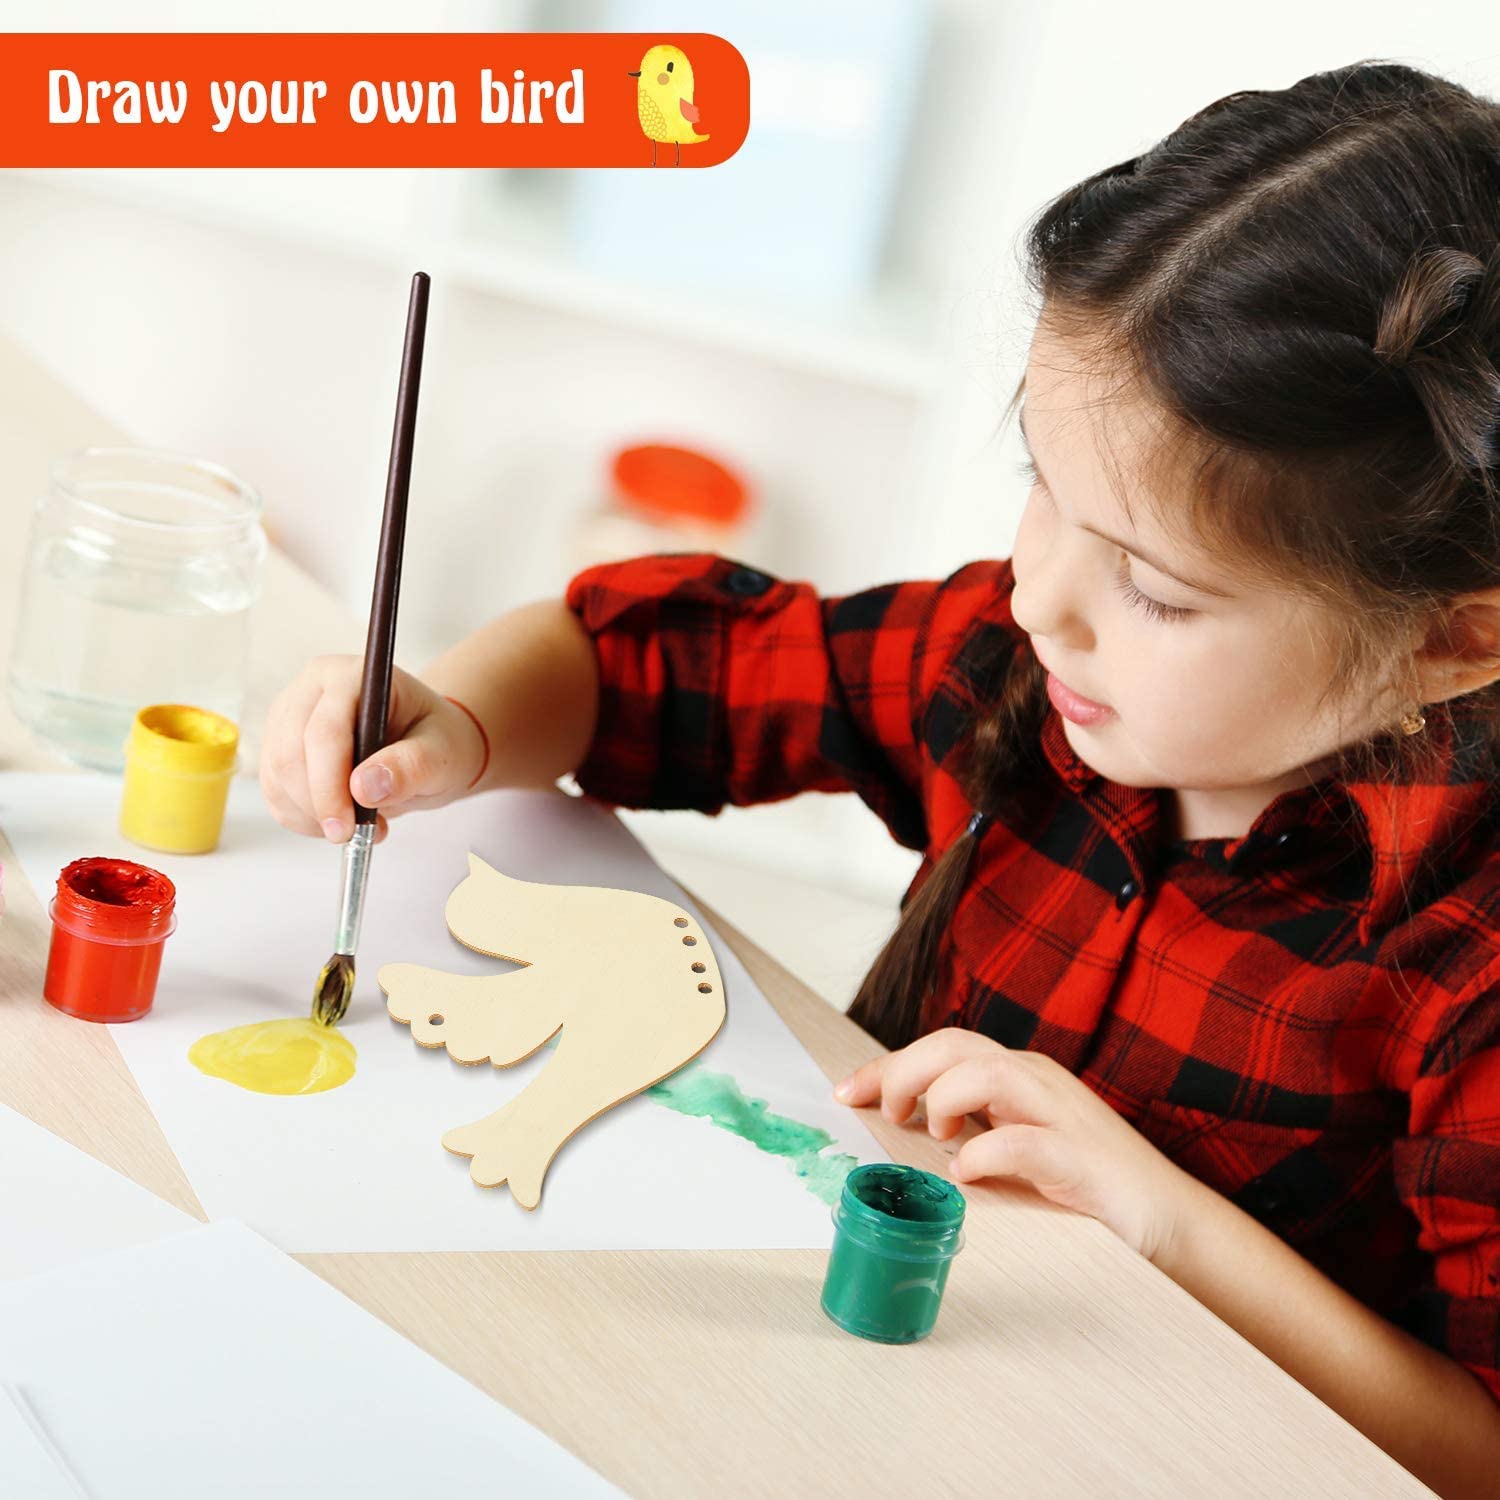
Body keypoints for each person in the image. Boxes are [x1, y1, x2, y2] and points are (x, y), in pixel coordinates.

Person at [260, 60, 1500, 1495]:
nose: (1042, 594)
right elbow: (641, 665)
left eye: (1156, 589)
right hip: (805, 1402)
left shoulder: (1464, 954)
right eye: (1044, 482)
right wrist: (460, 723)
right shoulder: (1022, 670)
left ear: (1453, 639)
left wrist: (1158, 1222)